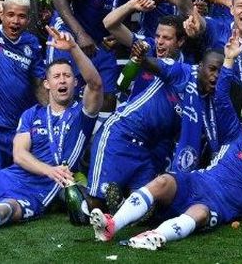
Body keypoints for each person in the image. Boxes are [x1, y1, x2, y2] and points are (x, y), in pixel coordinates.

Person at [89, 33, 242, 250]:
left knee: (200, 213)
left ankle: (153, 236)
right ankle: (112, 225)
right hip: (197, 181)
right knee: (163, 181)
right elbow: (222, 97)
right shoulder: (237, 136)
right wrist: (230, 59)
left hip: (218, 204)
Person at [0, 27, 102, 235]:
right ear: (47, 83)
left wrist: (73, 47)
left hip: (42, 188)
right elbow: (19, 155)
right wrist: (49, 169)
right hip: (11, 176)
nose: (62, 80)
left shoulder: (82, 114)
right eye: (56, 76)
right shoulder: (31, 114)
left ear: (75, 82)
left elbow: (96, 84)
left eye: (67, 76)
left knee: (3, 211)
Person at [87, 43, 223, 211]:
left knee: (146, 207)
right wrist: (142, 58)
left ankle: (122, 201)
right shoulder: (183, 72)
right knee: (96, 206)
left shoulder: (210, 102)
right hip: (122, 134)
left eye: (221, 72)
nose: (216, 75)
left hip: (148, 151)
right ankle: (78, 191)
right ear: (201, 66)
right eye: (212, 69)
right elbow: (156, 65)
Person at [51, 0, 155, 112]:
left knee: (108, 98)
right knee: (66, 90)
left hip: (101, 39)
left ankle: (97, 137)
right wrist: (80, 35)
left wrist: (117, 37)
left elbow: (128, 15)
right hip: (72, 30)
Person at [0, 0, 46, 170]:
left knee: (15, 187)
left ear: (28, 19)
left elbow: (39, 85)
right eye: (10, 14)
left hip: (21, 133)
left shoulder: (31, 43)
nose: (15, 21)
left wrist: (51, 113)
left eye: (22, 16)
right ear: (1, 14)